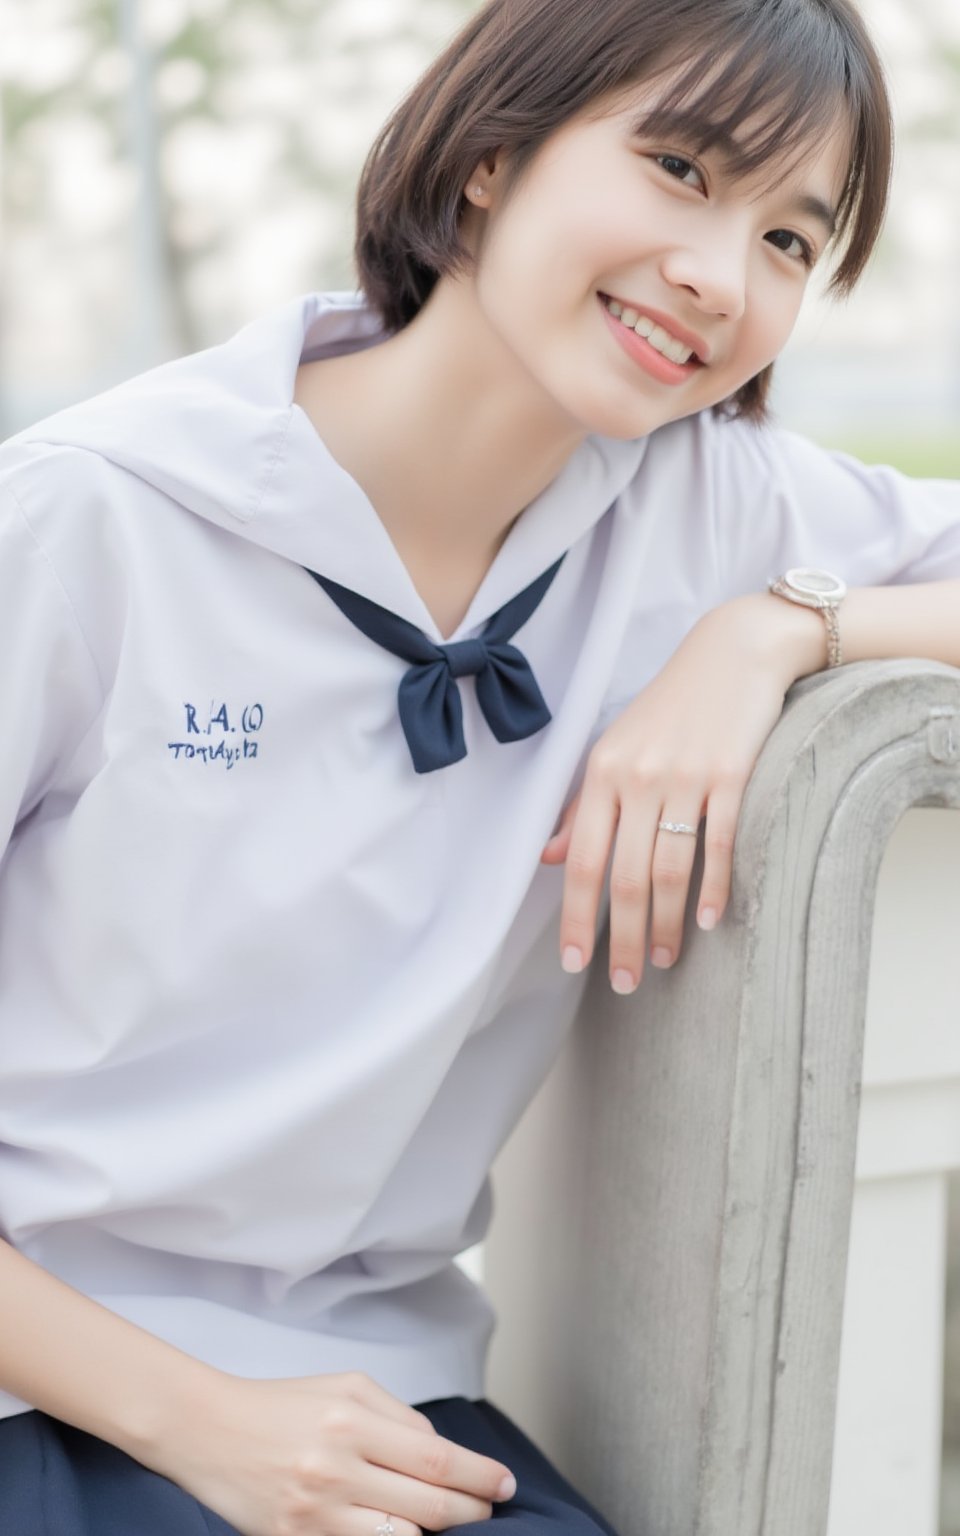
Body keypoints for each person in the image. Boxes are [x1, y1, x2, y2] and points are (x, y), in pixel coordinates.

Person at [1, 0, 958, 1531]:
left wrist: (781, 632)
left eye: (792, 238)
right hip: (44, 1375)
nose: (719, 276)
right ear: (493, 153)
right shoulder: (88, 523)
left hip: (382, 1394)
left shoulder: (711, 514)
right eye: (681, 170)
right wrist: (205, 1428)